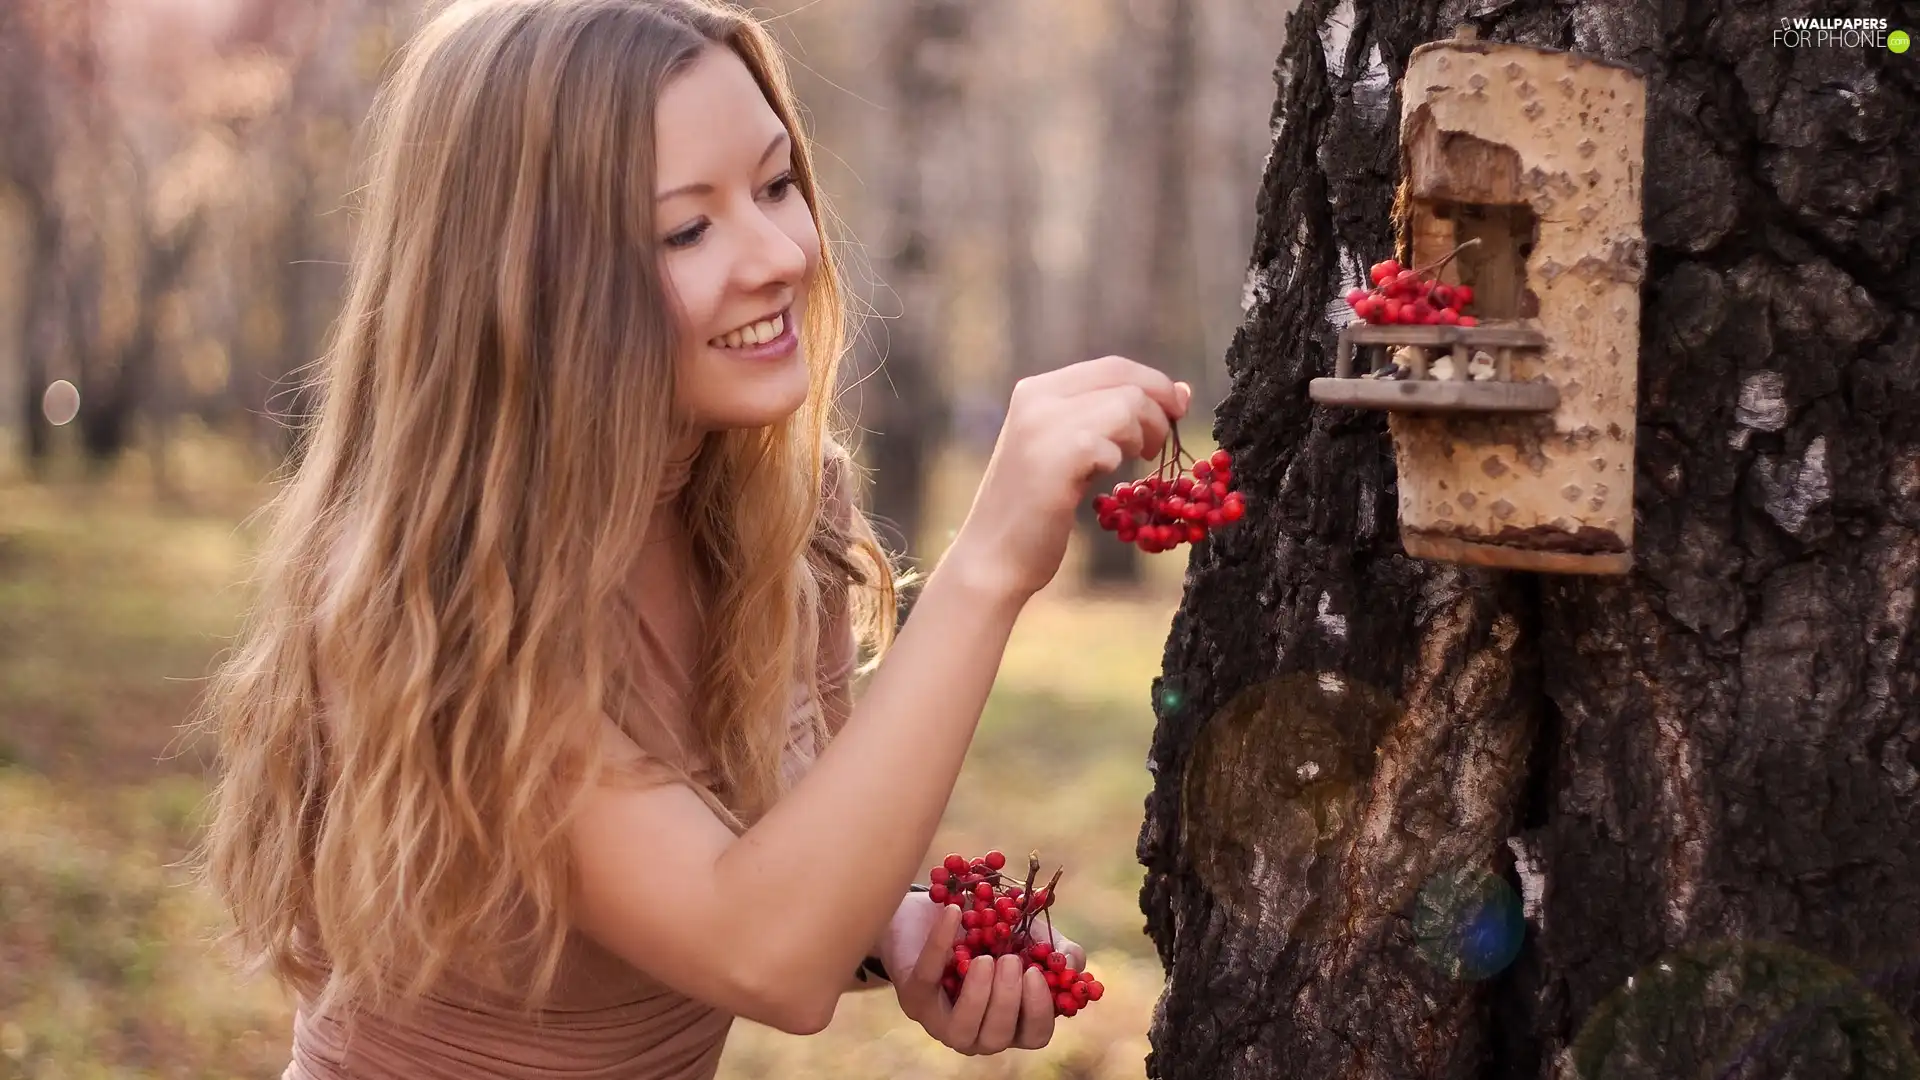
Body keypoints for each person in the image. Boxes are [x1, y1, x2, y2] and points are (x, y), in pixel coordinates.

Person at [192, 1, 1192, 1076]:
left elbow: (766, 881)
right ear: (533, 287)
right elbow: (765, 953)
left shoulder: (778, 516)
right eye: (686, 228)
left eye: (775, 185)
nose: (779, 254)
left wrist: (892, 927)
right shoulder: (440, 611)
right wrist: (989, 563)